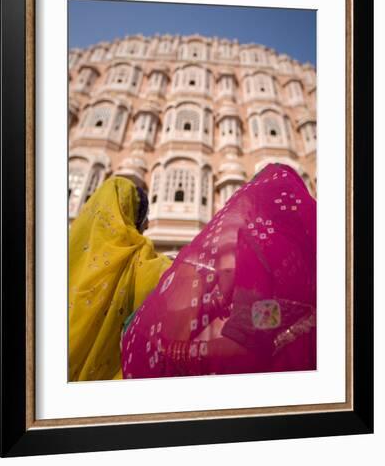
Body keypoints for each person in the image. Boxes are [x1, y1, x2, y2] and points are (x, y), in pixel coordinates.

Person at [121, 163, 316, 379]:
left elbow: (246, 345)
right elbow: (273, 315)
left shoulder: (260, 244)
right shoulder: (314, 244)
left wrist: (173, 350)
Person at [68, 176, 172, 381]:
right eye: (143, 215)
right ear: (128, 214)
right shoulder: (142, 262)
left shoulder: (60, 256)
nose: (148, 224)